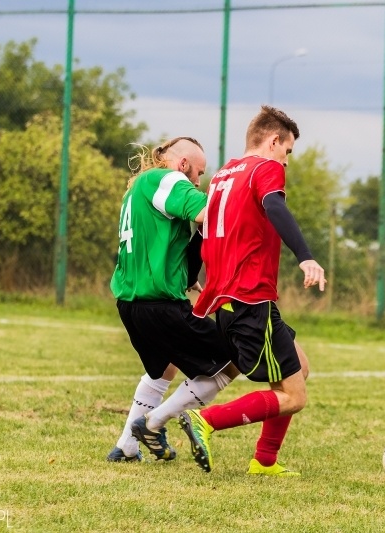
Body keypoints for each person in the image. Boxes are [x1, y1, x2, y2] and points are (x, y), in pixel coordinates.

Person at [181, 106, 326, 476]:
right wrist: (306, 257)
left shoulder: (222, 176)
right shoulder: (266, 168)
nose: (286, 162)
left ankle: (264, 461)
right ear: (273, 141)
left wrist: (192, 275)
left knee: (300, 368)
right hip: (249, 297)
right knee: (294, 397)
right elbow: (274, 206)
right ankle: (207, 421)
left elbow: (205, 229)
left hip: (230, 298)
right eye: (288, 151)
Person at [107, 136, 240, 463]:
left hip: (131, 303)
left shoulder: (138, 188)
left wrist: (183, 272)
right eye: (198, 173)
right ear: (182, 164)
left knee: (162, 369)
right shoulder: (168, 178)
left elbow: (158, 240)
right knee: (233, 359)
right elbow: (207, 213)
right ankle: (152, 424)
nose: (197, 182)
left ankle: (126, 446)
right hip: (159, 305)